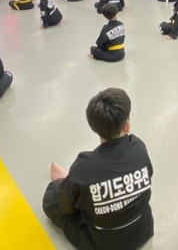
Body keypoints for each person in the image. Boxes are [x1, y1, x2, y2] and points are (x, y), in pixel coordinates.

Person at [42, 88, 154, 250]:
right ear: (127, 126)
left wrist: (61, 182)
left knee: (51, 199)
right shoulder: (139, 148)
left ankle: (66, 181)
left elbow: (67, 208)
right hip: (142, 231)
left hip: (102, 244)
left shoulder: (84, 166)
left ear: (94, 126)